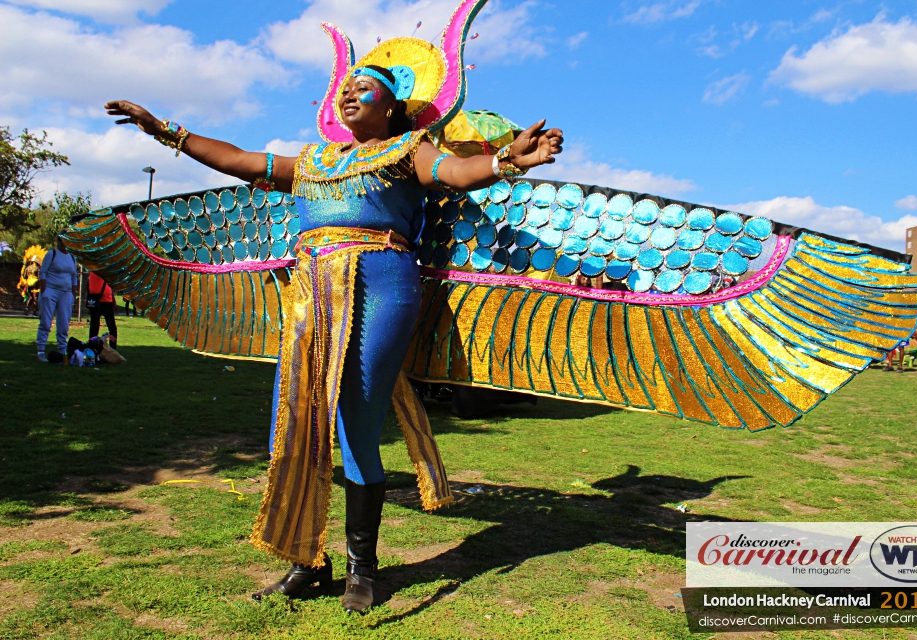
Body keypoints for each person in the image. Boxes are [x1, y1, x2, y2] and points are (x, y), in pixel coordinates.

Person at [105, 61, 562, 611]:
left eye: (363, 89)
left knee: (357, 421)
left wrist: (509, 158)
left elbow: (458, 175)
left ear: (390, 106)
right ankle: (307, 563)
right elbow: (237, 159)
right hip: (311, 291)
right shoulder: (313, 161)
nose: (349, 95)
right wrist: (165, 130)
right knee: (297, 418)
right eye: (344, 89)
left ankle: (361, 569)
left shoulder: (408, 148)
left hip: (382, 283)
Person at [36, 233, 78, 362]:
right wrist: (45, 291)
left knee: (64, 323)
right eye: (61, 241)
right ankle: (41, 350)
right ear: (58, 242)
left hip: (66, 293)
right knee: (46, 322)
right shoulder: (51, 254)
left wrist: (73, 294)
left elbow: (74, 276)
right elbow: (43, 272)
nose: (64, 244)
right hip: (51, 291)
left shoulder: (72, 257)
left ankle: (62, 350)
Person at [87, 271, 118, 347]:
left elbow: (109, 287)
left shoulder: (100, 269)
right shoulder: (94, 268)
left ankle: (112, 348)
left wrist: (113, 302)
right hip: (100, 299)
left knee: (109, 326)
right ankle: (93, 346)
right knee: (96, 326)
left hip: (105, 300)